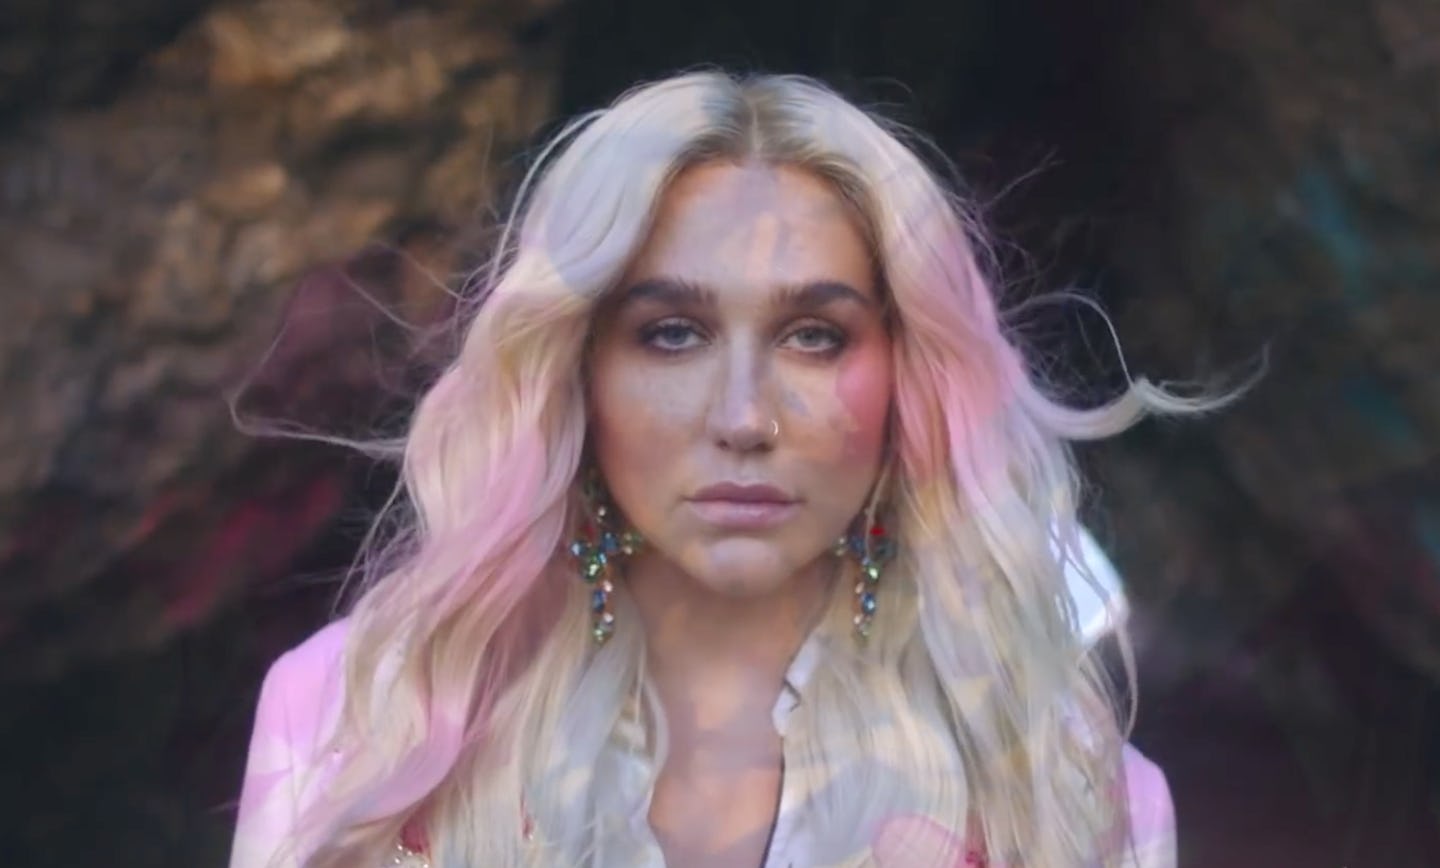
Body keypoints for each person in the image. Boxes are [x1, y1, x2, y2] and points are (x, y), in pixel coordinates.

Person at [230, 69, 1210, 868]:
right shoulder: (356, 727)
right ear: (576, 369)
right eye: (670, 333)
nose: (743, 418)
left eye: (814, 336)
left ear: (906, 375)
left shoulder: (1068, 796)